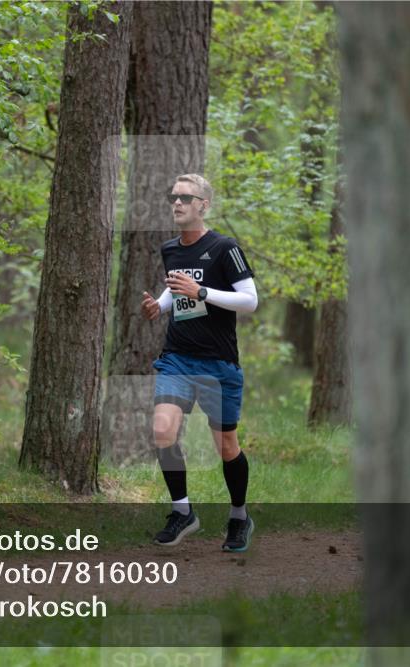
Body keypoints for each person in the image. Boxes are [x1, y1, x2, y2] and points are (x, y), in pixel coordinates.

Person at [141, 174, 258, 552]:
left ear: (203, 205)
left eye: (185, 198)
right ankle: (182, 512)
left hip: (219, 364)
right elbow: (177, 284)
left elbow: (250, 300)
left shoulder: (225, 248)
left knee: (226, 446)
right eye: (173, 197)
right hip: (178, 358)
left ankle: (239, 517)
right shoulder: (171, 248)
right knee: (163, 430)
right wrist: (159, 306)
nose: (177, 203)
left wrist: (202, 292)